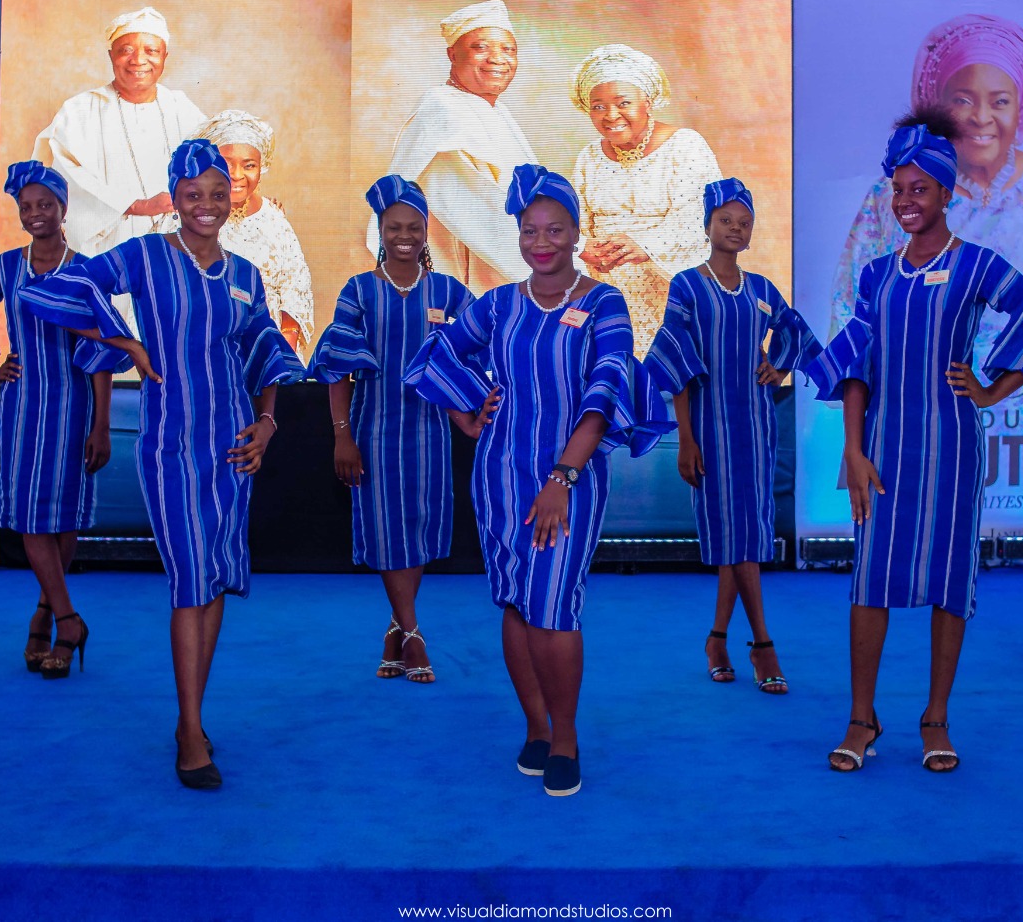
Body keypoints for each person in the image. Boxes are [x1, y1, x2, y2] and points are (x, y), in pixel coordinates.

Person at [20, 138, 304, 790]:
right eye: (192, 193)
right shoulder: (147, 256)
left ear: (230, 197)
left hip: (234, 450)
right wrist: (121, 340)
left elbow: (263, 357)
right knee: (190, 583)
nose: (206, 204)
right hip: (172, 448)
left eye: (217, 192)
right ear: (174, 199)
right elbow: (58, 289)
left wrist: (267, 424)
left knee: (215, 582)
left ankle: (194, 718)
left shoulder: (244, 275)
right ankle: (189, 728)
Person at [806, 118, 1023, 774]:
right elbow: (854, 366)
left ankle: (936, 718)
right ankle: (861, 719)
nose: (906, 202)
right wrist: (852, 447)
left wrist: (992, 389)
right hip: (882, 452)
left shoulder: (978, 264)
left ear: (947, 194)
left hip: (953, 451)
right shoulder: (876, 276)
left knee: (949, 584)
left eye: (920, 189)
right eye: (899, 190)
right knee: (870, 583)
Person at [404, 164, 672, 798]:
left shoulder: (602, 301)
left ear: (576, 232)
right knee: (518, 603)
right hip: (498, 477)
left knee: (555, 607)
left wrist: (562, 476)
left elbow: (605, 391)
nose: (542, 241)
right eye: (530, 230)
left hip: (568, 482)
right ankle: (534, 727)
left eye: (555, 229)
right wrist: (466, 412)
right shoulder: (498, 304)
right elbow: (433, 356)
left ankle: (567, 736)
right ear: (518, 235)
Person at [0, 161, 119, 677]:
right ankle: (69, 618)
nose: (35, 214)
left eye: (44, 205)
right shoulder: (7, 267)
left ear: (63, 208)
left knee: (66, 514)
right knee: (33, 517)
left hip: (73, 408)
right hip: (23, 407)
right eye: (25, 207)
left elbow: (100, 353)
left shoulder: (84, 269)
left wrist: (102, 424)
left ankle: (44, 610)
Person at [831, 13, 1023, 418]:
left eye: (1000, 101)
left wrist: (992, 390)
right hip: (892, 418)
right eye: (963, 100)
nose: (981, 117)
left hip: (1021, 434)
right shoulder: (880, 233)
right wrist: (853, 448)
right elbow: (850, 327)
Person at [646, 179, 820, 695]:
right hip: (710, 432)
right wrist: (686, 437)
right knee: (736, 537)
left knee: (741, 536)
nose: (736, 229)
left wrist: (780, 364)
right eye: (726, 220)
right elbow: (674, 362)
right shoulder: (686, 285)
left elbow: (795, 330)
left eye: (744, 223)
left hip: (757, 428)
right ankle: (763, 644)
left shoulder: (763, 290)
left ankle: (718, 638)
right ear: (707, 225)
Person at [311, 176, 473, 684]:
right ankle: (413, 632)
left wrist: (468, 413)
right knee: (386, 531)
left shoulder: (449, 292)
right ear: (380, 231)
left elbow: (469, 358)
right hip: (374, 431)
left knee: (418, 530)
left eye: (414, 227)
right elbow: (338, 369)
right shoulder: (358, 291)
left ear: (427, 232)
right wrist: (342, 435)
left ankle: (396, 628)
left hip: (430, 433)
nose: (404, 235)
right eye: (394, 226)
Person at [372, 0, 535, 292]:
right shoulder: (443, 109)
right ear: (452, 54)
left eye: (508, 49)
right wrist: (564, 250)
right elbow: (476, 207)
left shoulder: (494, 110)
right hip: (463, 273)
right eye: (481, 47)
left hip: (498, 268)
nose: (498, 59)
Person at [571, 44, 721, 355]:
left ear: (648, 102)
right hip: (608, 288)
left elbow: (701, 217)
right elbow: (578, 220)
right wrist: (586, 247)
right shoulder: (589, 156)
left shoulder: (685, 145)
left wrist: (646, 246)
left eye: (623, 103)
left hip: (671, 287)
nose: (611, 116)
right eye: (598, 106)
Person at [32, 6, 206, 257]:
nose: (138, 60)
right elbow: (64, 176)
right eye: (126, 51)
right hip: (105, 247)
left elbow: (219, 164)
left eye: (151, 51)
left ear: (165, 56)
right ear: (111, 55)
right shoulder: (80, 110)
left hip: (176, 244)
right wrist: (137, 206)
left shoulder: (182, 108)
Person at [157, 110, 314, 357]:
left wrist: (283, 355)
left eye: (249, 165)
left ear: (262, 168)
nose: (237, 175)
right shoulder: (183, 218)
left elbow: (294, 291)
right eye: (227, 163)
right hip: (199, 353)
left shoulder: (274, 219)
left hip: (268, 357)